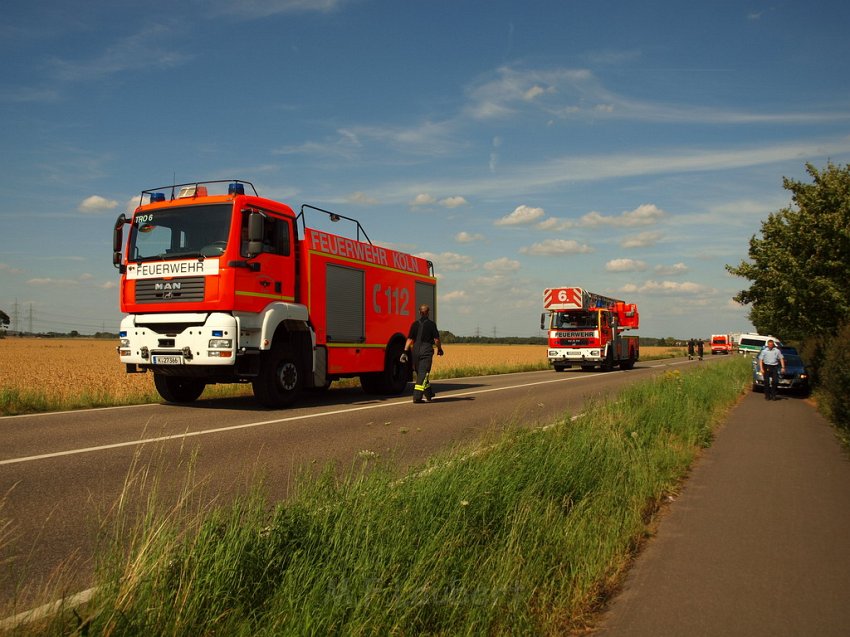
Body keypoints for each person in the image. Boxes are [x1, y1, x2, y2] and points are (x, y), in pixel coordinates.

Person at [400, 304, 443, 403]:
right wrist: (439, 349)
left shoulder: (414, 324)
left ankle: (428, 394)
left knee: (420, 373)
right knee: (423, 373)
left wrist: (405, 352)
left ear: (419, 312)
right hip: (426, 350)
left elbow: (409, 339)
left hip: (415, 351)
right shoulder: (432, 324)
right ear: (428, 313)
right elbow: (436, 340)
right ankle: (417, 397)